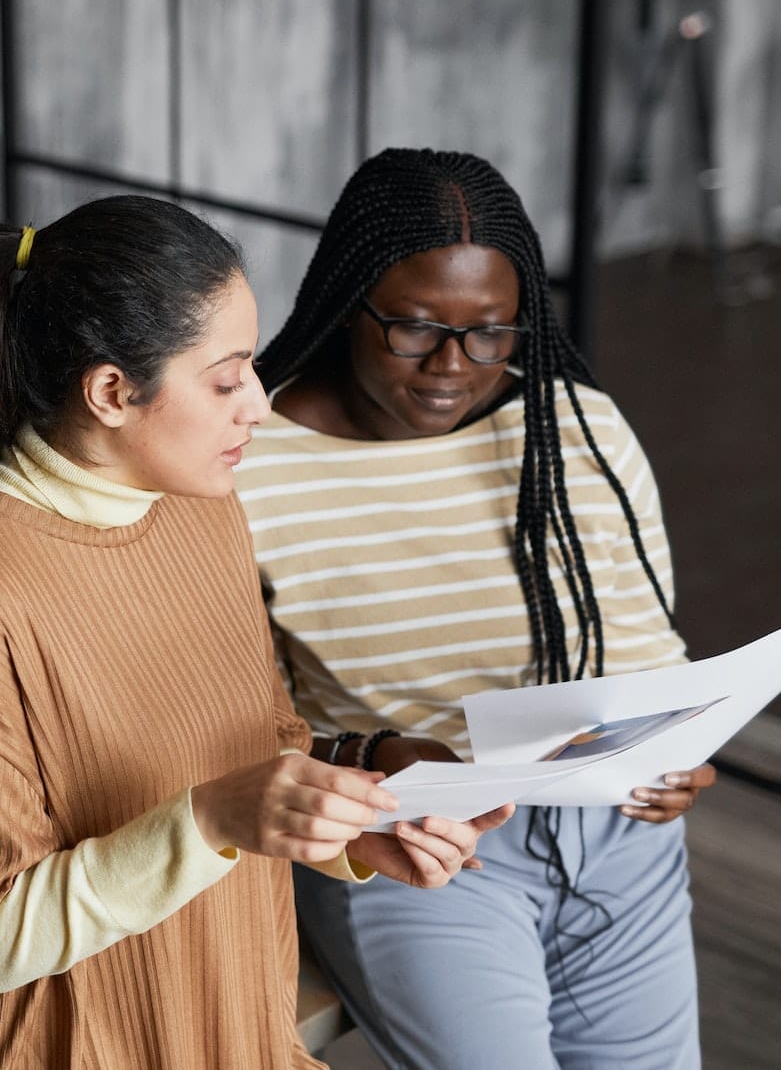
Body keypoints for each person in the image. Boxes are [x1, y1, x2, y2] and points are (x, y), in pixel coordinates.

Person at [0, 196, 509, 1068]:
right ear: (113, 392)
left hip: (229, 1019)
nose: (259, 407)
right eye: (227, 375)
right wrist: (211, 820)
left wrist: (361, 800)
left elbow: (247, 745)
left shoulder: (199, 506)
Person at [236, 149, 706, 1070]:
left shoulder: (575, 427)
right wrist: (367, 763)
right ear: (346, 302)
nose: (454, 367)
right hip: (417, 844)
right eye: (413, 329)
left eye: (492, 334)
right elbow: (229, 727)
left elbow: (653, 655)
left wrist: (678, 751)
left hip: (617, 834)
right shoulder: (250, 468)